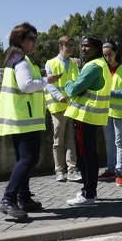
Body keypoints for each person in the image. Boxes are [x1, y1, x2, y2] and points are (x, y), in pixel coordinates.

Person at [0, 22, 60, 221]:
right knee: (28, 159)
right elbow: (26, 86)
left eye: (34, 38)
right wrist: (48, 80)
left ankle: (24, 199)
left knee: (25, 159)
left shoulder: (16, 58)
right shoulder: (21, 60)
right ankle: (8, 199)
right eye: (31, 38)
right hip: (24, 119)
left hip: (21, 118)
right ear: (20, 40)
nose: (34, 42)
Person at [63, 36, 112, 206]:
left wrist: (68, 83)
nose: (83, 49)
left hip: (85, 116)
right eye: (82, 46)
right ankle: (89, 191)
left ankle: (88, 193)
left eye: (87, 46)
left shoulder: (93, 66)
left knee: (85, 156)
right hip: (92, 117)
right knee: (89, 155)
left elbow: (73, 89)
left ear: (96, 49)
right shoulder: (101, 64)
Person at [44, 36, 81, 183]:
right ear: (61, 45)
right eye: (68, 45)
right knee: (58, 139)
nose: (71, 47)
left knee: (71, 139)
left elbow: (77, 82)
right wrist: (59, 96)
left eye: (72, 45)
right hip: (57, 106)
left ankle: (72, 169)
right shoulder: (50, 63)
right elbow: (49, 83)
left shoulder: (73, 64)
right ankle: (59, 170)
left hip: (70, 106)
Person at [99, 41, 122, 187]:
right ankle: (110, 169)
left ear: (116, 52)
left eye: (110, 54)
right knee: (109, 143)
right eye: (105, 55)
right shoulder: (102, 69)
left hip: (121, 112)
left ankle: (119, 172)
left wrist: (112, 93)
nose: (107, 57)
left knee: (120, 143)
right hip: (105, 111)